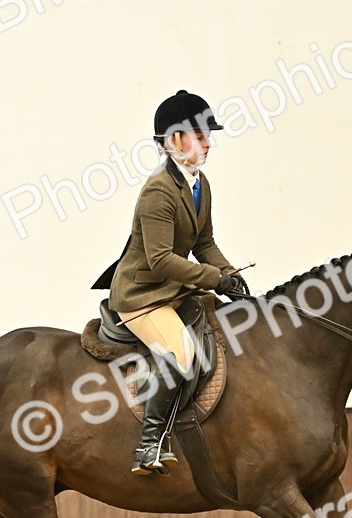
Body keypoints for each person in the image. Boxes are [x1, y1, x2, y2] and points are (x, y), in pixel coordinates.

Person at [102, 90, 249, 476]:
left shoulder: (200, 184)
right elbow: (161, 260)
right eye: (200, 135)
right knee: (182, 353)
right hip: (142, 296)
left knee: (219, 325)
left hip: (172, 289)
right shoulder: (158, 192)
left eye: (207, 135)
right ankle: (149, 443)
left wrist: (230, 276)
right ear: (173, 141)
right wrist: (213, 278)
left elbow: (204, 243)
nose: (208, 143)